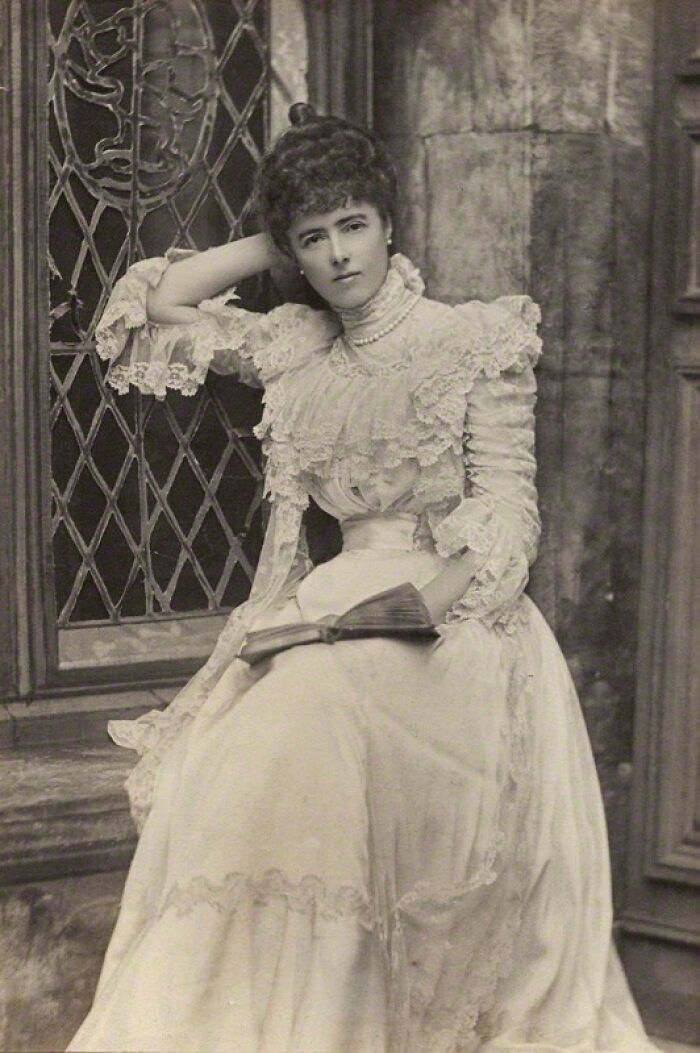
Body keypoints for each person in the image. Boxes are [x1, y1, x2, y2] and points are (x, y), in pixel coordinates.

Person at [68, 104, 660, 1053]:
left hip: (453, 614)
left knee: (303, 720)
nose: (340, 255)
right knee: (257, 744)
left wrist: (436, 594)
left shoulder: (474, 338)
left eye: (354, 225)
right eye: (315, 238)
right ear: (293, 254)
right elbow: (151, 307)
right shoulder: (295, 345)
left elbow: (511, 509)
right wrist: (272, 232)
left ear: (388, 224)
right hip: (326, 610)